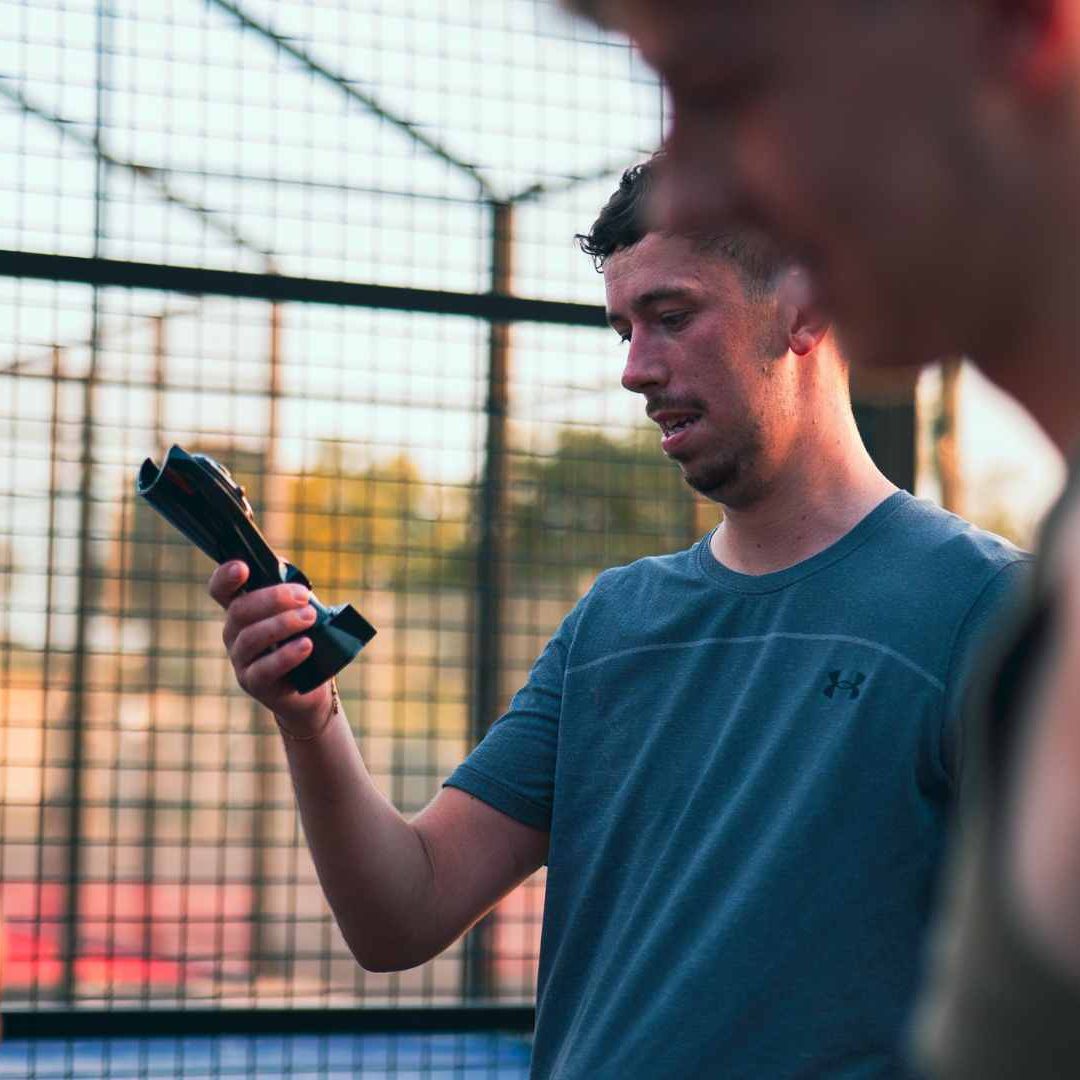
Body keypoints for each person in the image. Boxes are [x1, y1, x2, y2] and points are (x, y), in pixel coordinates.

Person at [209, 159, 1026, 1077]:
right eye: (623, 329)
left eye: (673, 318)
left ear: (804, 308)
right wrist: (309, 718)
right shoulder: (610, 624)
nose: (636, 368)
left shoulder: (991, 611)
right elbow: (402, 914)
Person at [561, 0, 1080, 1074]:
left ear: (1020, 23)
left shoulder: (976, 598)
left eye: (725, 88)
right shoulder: (1049, 594)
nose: (696, 187)